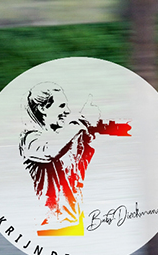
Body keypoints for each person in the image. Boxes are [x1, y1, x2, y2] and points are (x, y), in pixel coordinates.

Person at [19, 82, 131, 235]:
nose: (67, 111)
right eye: (61, 106)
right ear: (43, 108)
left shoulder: (63, 133)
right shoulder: (30, 139)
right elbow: (50, 151)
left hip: (72, 222)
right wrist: (77, 125)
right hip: (51, 226)